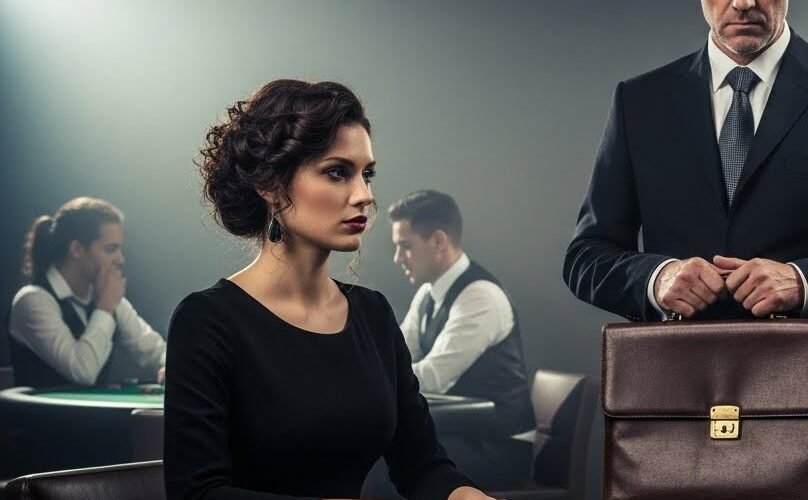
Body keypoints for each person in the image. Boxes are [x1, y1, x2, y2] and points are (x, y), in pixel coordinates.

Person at [562, 0, 808, 475]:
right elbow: (586, 256)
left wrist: (804, 282)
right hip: (671, 402)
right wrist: (657, 278)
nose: (744, 2)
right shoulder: (639, 99)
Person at [164, 79, 496, 500]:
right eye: (337, 172)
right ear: (269, 184)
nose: (364, 196)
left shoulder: (373, 313)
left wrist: (467, 496)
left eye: (367, 174)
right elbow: (197, 493)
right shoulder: (207, 320)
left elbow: (423, 464)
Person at [388, 189, 534, 489]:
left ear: (439, 241)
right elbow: (399, 357)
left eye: (405, 246)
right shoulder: (428, 294)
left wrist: (365, 378)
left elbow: (432, 378)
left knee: (390, 458)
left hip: (498, 450)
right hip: (459, 436)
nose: (397, 257)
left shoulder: (480, 297)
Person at [8, 196, 165, 388]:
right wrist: (105, 307)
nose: (120, 259)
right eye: (110, 249)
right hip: (43, 417)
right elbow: (83, 372)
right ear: (76, 249)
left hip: (92, 418)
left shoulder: (107, 297)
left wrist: (170, 366)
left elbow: (155, 351)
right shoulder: (31, 300)